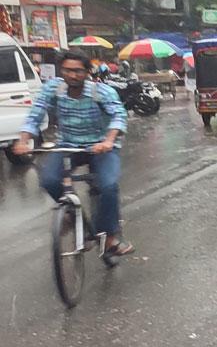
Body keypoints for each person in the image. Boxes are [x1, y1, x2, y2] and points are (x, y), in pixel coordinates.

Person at [12, 51, 133, 257]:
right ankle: (72, 214)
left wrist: (108, 141)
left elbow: (118, 116)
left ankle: (111, 236)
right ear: (62, 71)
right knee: (49, 179)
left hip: (100, 146)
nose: (72, 75)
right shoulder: (53, 89)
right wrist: (23, 141)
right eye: (68, 70)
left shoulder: (100, 91)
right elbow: (35, 115)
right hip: (68, 145)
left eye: (78, 71)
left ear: (87, 72)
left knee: (108, 185)